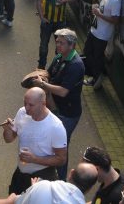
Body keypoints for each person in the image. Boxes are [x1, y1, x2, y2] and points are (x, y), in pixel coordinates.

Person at [32, 28, 84, 179]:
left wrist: (43, 85)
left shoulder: (76, 65)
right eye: (57, 42)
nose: (58, 45)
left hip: (67, 114)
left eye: (61, 43)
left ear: (72, 45)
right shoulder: (59, 57)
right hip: (55, 108)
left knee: (60, 149)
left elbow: (63, 91)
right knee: (52, 144)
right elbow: (49, 74)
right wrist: (40, 75)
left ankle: (60, 180)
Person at [1, 87, 67, 195]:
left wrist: (35, 159)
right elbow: (9, 139)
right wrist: (7, 130)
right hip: (21, 173)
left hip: (43, 177)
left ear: (43, 103)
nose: (26, 108)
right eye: (25, 103)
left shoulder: (56, 126)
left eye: (31, 105)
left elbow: (61, 159)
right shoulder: (22, 113)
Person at [84, 0, 122, 89]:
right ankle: (98, 74)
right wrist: (96, 9)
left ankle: (97, 79)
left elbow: (115, 20)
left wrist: (99, 14)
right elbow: (103, 11)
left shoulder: (116, 1)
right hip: (94, 31)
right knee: (87, 52)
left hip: (102, 35)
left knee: (97, 57)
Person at [35, 0, 75, 69]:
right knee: (43, 46)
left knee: (60, 47)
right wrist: (42, 17)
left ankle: (57, 67)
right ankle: (41, 67)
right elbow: (38, 0)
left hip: (61, 21)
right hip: (47, 21)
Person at [13, 162, 98, 204]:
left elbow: (17, 201)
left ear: (71, 174)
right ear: (90, 188)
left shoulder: (42, 186)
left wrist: (35, 189)